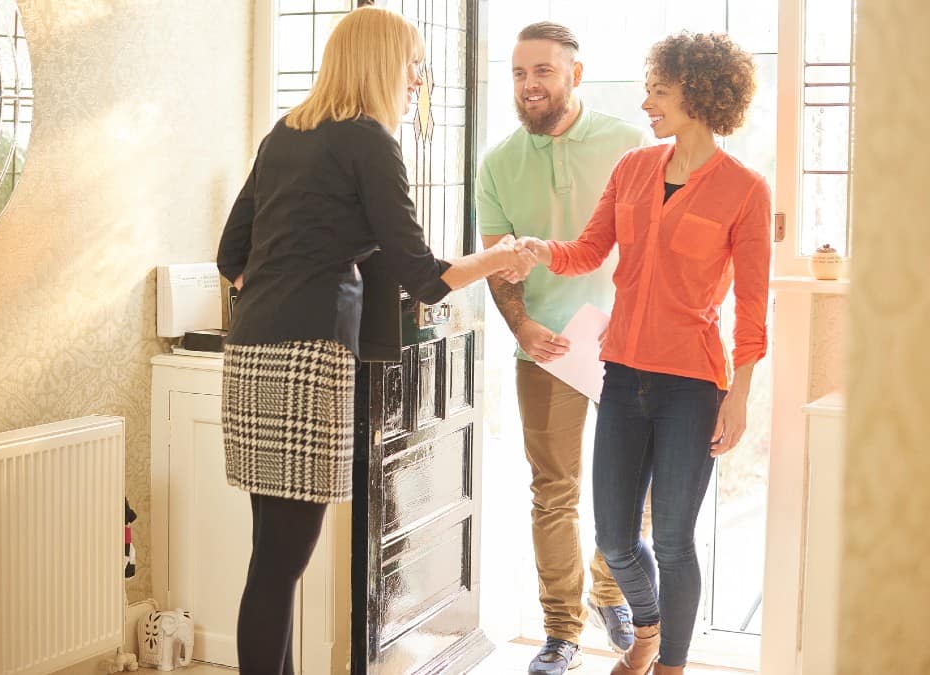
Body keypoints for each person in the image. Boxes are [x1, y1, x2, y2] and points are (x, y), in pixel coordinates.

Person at [215, 7, 536, 674]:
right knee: (282, 561)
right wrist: (499, 255)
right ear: (381, 65)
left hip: (250, 351)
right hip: (308, 357)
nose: (418, 77)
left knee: (270, 556)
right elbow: (421, 275)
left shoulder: (285, 133)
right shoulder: (368, 139)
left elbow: (231, 253)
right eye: (412, 63)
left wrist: (293, 274)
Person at [526, 32, 770, 675]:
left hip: (692, 385)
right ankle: (651, 628)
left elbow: (752, 307)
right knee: (612, 536)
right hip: (622, 373)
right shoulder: (633, 170)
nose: (647, 103)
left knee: (672, 539)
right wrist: (536, 249)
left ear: (699, 93)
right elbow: (586, 251)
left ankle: (670, 665)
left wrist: (739, 397)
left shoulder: (744, 190)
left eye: (659, 91)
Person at [476, 21, 653, 673]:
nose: (529, 86)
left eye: (543, 72)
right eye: (520, 73)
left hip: (630, 341)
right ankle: (561, 631)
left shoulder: (629, 143)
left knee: (641, 481)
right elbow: (498, 264)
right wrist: (521, 326)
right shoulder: (497, 164)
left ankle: (613, 588)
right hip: (546, 348)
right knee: (554, 490)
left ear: (575, 75)